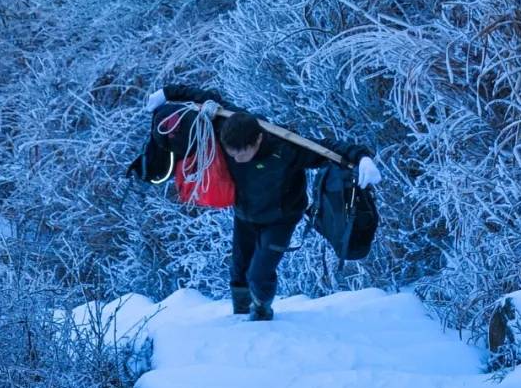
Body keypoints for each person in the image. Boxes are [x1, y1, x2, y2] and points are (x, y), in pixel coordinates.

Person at [152, 84, 381, 322]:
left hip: (280, 219)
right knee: (238, 271)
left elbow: (328, 149)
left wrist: (363, 158)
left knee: (259, 275)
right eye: (232, 154)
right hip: (245, 214)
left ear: (258, 139)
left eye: (243, 153)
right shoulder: (229, 124)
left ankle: (261, 315)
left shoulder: (286, 146)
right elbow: (206, 97)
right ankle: (241, 314)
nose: (237, 158)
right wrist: (167, 93)